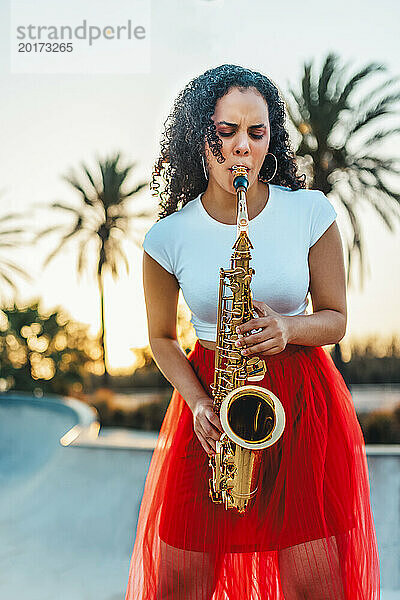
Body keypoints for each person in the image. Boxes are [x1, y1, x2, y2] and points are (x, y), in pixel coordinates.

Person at [125, 64, 380, 600]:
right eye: (227, 132)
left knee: (316, 583)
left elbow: (335, 319)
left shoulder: (310, 211)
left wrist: (287, 327)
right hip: (211, 399)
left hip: (300, 403)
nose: (242, 147)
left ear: (271, 139)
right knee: (178, 582)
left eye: (256, 133)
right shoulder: (166, 238)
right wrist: (197, 404)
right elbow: (162, 339)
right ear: (201, 136)